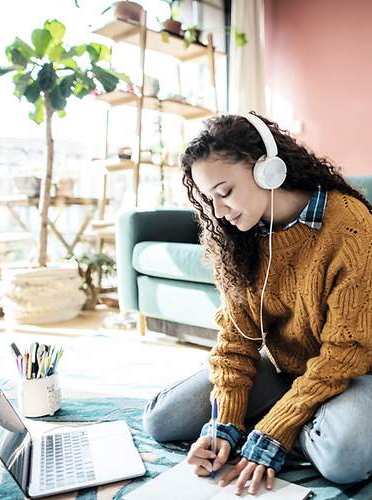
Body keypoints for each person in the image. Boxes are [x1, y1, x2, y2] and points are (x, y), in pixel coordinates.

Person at [143, 112, 372, 496]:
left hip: (353, 372)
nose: (218, 211)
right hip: (286, 368)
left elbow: (344, 355)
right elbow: (236, 340)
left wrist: (276, 428)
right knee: (162, 420)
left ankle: (290, 416)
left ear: (267, 169)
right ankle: (302, 417)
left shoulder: (350, 227)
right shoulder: (237, 237)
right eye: (208, 198)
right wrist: (223, 424)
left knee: (344, 457)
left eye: (225, 191)